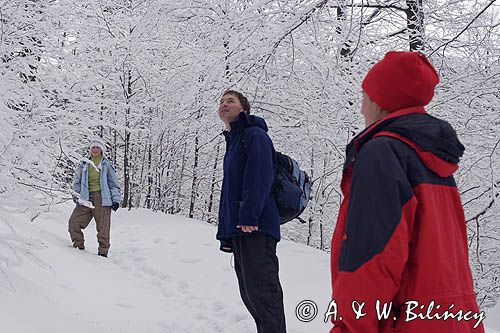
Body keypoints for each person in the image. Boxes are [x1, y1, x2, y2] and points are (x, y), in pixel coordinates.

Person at [329, 51, 485, 332]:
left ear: (380, 101)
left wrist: (351, 327)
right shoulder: (433, 159)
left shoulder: (382, 152)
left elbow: (371, 257)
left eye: (365, 98)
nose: (362, 108)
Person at [216, 90, 286, 333]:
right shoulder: (235, 140)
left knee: (264, 294)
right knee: (250, 293)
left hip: (256, 226)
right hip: (242, 228)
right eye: (222, 102)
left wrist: (248, 215)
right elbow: (231, 189)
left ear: (243, 109)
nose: (224, 105)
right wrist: (227, 232)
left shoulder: (254, 135)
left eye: (230, 101)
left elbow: (260, 176)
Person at [68, 138, 121, 258]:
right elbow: (77, 181)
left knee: (103, 228)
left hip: (102, 198)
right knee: (74, 222)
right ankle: (78, 247)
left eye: (98, 147)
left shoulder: (106, 165)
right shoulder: (84, 164)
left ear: (102, 150)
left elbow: (114, 184)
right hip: (86, 198)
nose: (95, 150)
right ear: (90, 150)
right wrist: (76, 195)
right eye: (93, 147)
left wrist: (116, 200)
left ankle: (103, 253)